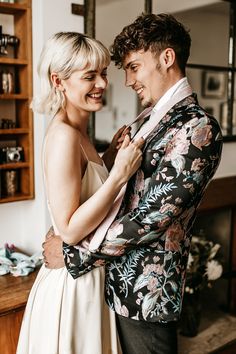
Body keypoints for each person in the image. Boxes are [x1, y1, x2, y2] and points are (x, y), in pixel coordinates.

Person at [43, 13, 223, 354]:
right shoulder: (147, 118)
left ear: (166, 58)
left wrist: (71, 254)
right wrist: (109, 160)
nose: (125, 81)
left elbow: (149, 218)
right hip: (110, 284)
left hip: (146, 294)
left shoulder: (198, 129)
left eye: (134, 67)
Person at [16, 31, 144, 354]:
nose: (102, 84)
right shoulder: (63, 137)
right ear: (58, 81)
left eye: (103, 73)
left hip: (88, 279)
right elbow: (70, 228)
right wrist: (118, 175)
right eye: (90, 76)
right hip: (71, 287)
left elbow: (81, 188)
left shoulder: (79, 131)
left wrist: (108, 159)